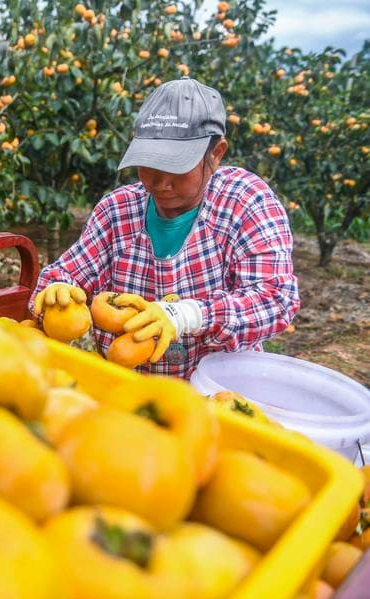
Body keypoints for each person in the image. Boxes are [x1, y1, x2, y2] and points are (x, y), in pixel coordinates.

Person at [30, 77, 300, 379]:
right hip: (127, 388)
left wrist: (188, 315)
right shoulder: (118, 210)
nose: (160, 182)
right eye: (148, 164)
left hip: (213, 393)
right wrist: (57, 288)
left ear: (216, 153)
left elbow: (276, 300)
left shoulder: (245, 202)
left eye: (176, 166)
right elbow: (64, 274)